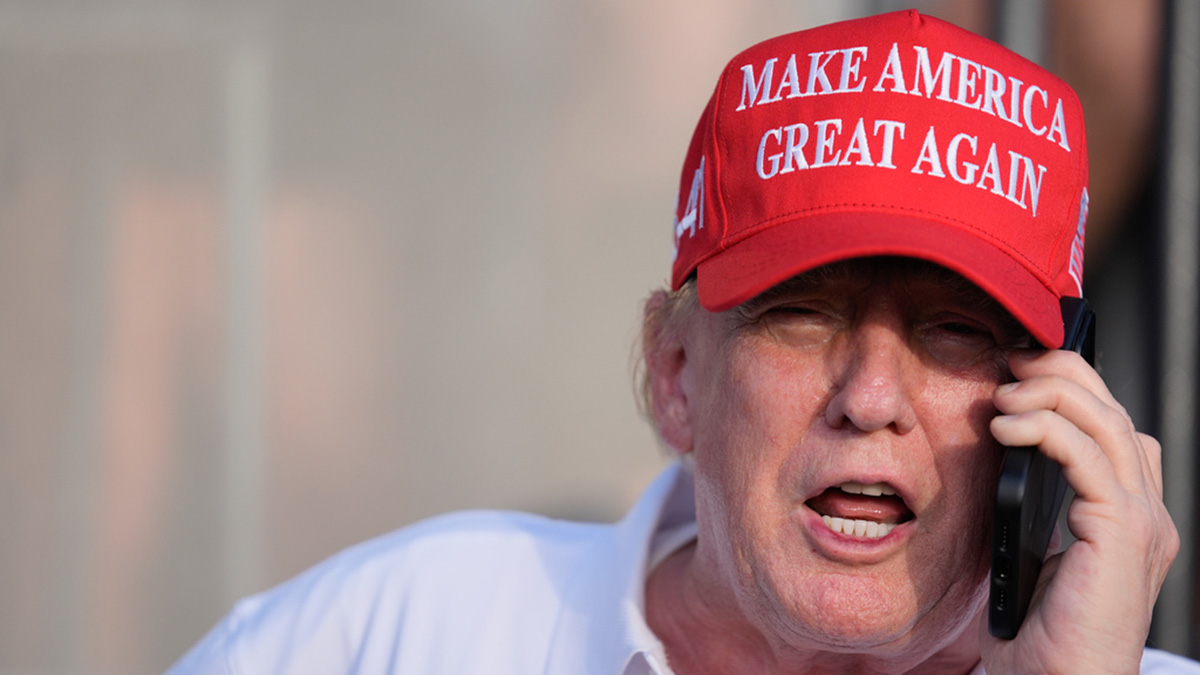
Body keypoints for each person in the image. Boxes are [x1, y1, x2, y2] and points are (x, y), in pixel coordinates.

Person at [169, 10, 1196, 674]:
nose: (872, 393)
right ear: (673, 375)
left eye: (955, 331)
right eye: (804, 314)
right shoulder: (398, 633)